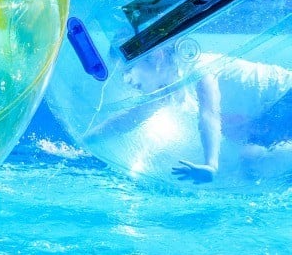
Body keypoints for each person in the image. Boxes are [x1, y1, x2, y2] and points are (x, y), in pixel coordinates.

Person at [123, 42, 292, 183]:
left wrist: (211, 164)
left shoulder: (198, 69)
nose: (126, 79)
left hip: (285, 97)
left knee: (251, 161)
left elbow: (209, 114)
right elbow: (132, 117)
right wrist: (95, 141)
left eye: (128, 69)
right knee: (249, 164)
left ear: (157, 56)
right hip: (267, 116)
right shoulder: (170, 88)